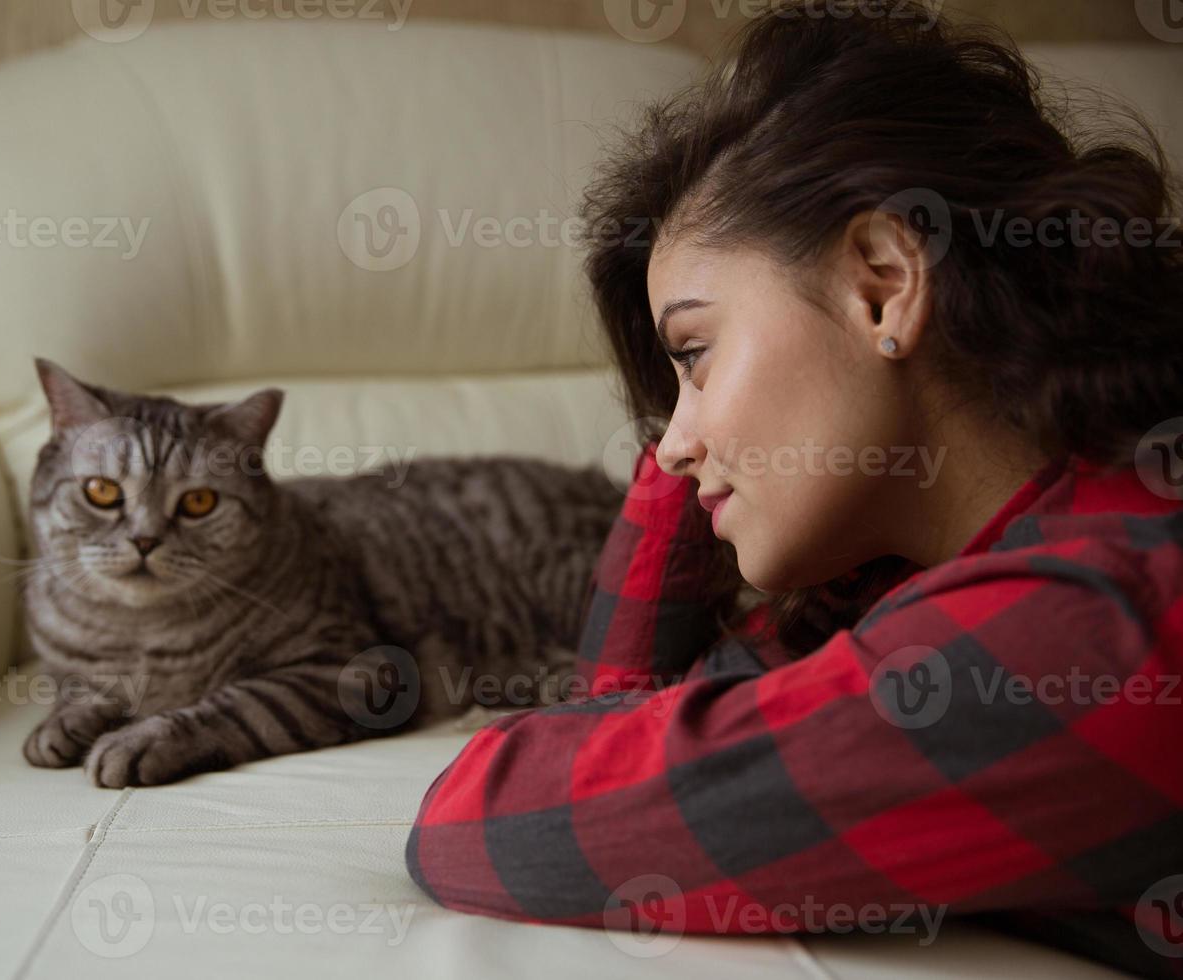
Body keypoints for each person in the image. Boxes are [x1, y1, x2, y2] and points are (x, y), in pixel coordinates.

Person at [403, 2, 1183, 976]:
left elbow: (492, 811)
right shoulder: (915, 581)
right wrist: (686, 425)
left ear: (882, 285)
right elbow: (623, 726)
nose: (674, 447)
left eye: (694, 351)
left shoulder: (1102, 626)